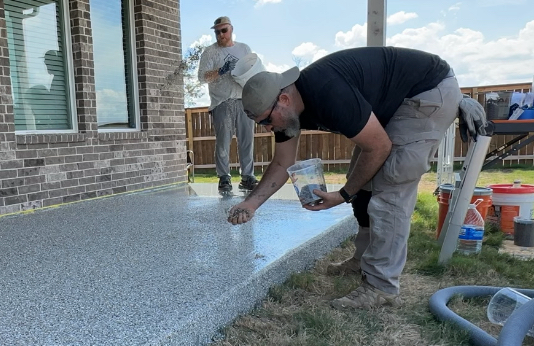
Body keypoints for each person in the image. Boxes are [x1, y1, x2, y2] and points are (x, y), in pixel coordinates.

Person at [227, 46, 488, 310]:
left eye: (267, 122)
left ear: (283, 99)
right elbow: (283, 162)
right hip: (395, 102)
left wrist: (342, 195)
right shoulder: (288, 112)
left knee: (390, 185)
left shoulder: (327, 92)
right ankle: (363, 259)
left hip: (426, 93)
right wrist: (251, 204)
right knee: (361, 179)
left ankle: (382, 286)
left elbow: (379, 147)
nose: (269, 129)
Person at [198, 16, 258, 192]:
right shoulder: (210, 52)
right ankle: (224, 177)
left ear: (231, 29)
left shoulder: (244, 48)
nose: (220, 35)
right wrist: (222, 70)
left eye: (224, 30)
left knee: (247, 140)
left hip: (243, 99)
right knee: (223, 142)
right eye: (217, 32)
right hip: (221, 101)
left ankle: (247, 176)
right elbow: (202, 77)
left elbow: (252, 69)